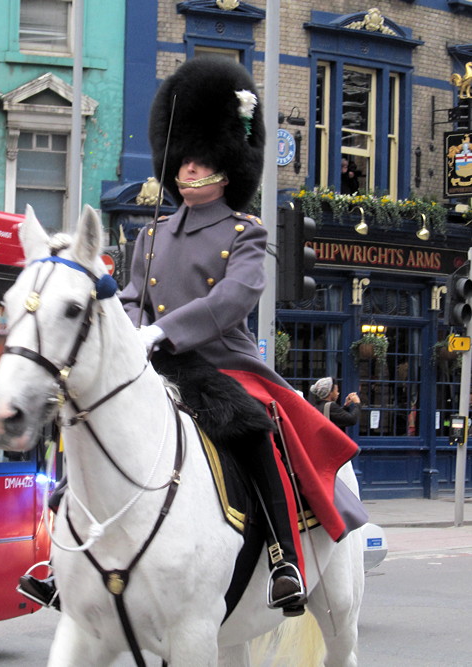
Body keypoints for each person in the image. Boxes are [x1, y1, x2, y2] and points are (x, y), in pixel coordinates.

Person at [19, 56, 364, 617]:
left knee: (255, 432)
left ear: (227, 168)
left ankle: (282, 559)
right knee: (85, 420)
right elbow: (129, 295)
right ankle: (63, 562)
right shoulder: (152, 235)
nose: (188, 170)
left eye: (201, 161)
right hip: (155, 367)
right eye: (182, 160)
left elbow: (231, 300)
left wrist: (162, 329)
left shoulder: (245, 233)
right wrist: (132, 330)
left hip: (225, 367)